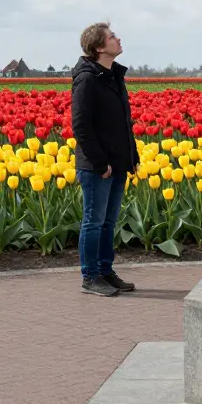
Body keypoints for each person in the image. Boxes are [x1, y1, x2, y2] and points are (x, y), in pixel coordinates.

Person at [71, 22, 139, 296]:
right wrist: (100, 163)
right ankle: (90, 276)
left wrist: (131, 156)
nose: (118, 39)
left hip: (118, 163)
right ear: (99, 47)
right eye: (112, 37)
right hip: (97, 166)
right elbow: (81, 126)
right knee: (93, 221)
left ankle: (105, 270)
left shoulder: (112, 76)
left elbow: (125, 122)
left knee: (109, 221)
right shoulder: (87, 79)